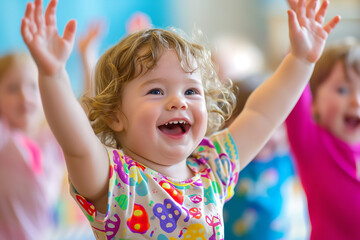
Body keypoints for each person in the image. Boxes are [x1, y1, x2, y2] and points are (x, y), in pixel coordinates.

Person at [20, 0, 340, 238]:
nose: (178, 101)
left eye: (191, 91)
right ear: (116, 116)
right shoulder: (115, 180)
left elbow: (261, 114)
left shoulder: (211, 167)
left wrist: (300, 61)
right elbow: (75, 142)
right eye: (157, 91)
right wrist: (52, 75)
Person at [285, 36, 360, 239]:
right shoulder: (312, 143)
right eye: (343, 90)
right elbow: (293, 86)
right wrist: (301, 52)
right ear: (314, 102)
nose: (356, 100)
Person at [221, 77, 309, 240]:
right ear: (230, 122)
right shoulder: (224, 162)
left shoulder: (287, 160)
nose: (269, 135)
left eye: (278, 125)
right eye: (257, 126)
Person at [0, 52, 66, 239]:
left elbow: (82, 120)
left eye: (32, 87)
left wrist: (86, 58)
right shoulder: (5, 138)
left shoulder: (51, 139)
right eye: (12, 88)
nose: (24, 96)